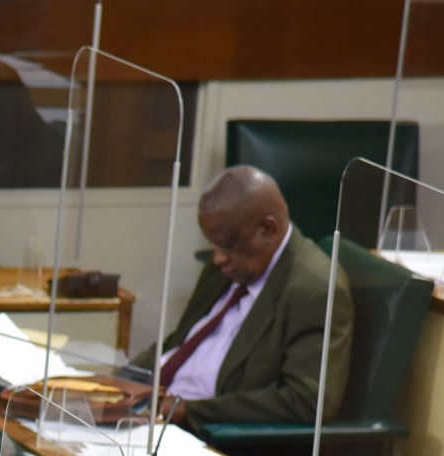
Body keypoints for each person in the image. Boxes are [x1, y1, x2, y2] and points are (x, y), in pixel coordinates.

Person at [127, 165, 353, 428]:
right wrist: (120, 381)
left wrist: (186, 411)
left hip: (213, 439)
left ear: (268, 229)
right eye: (214, 244)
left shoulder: (315, 290)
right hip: (149, 413)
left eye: (228, 245)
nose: (218, 258)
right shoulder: (227, 270)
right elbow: (180, 342)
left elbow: (306, 401)